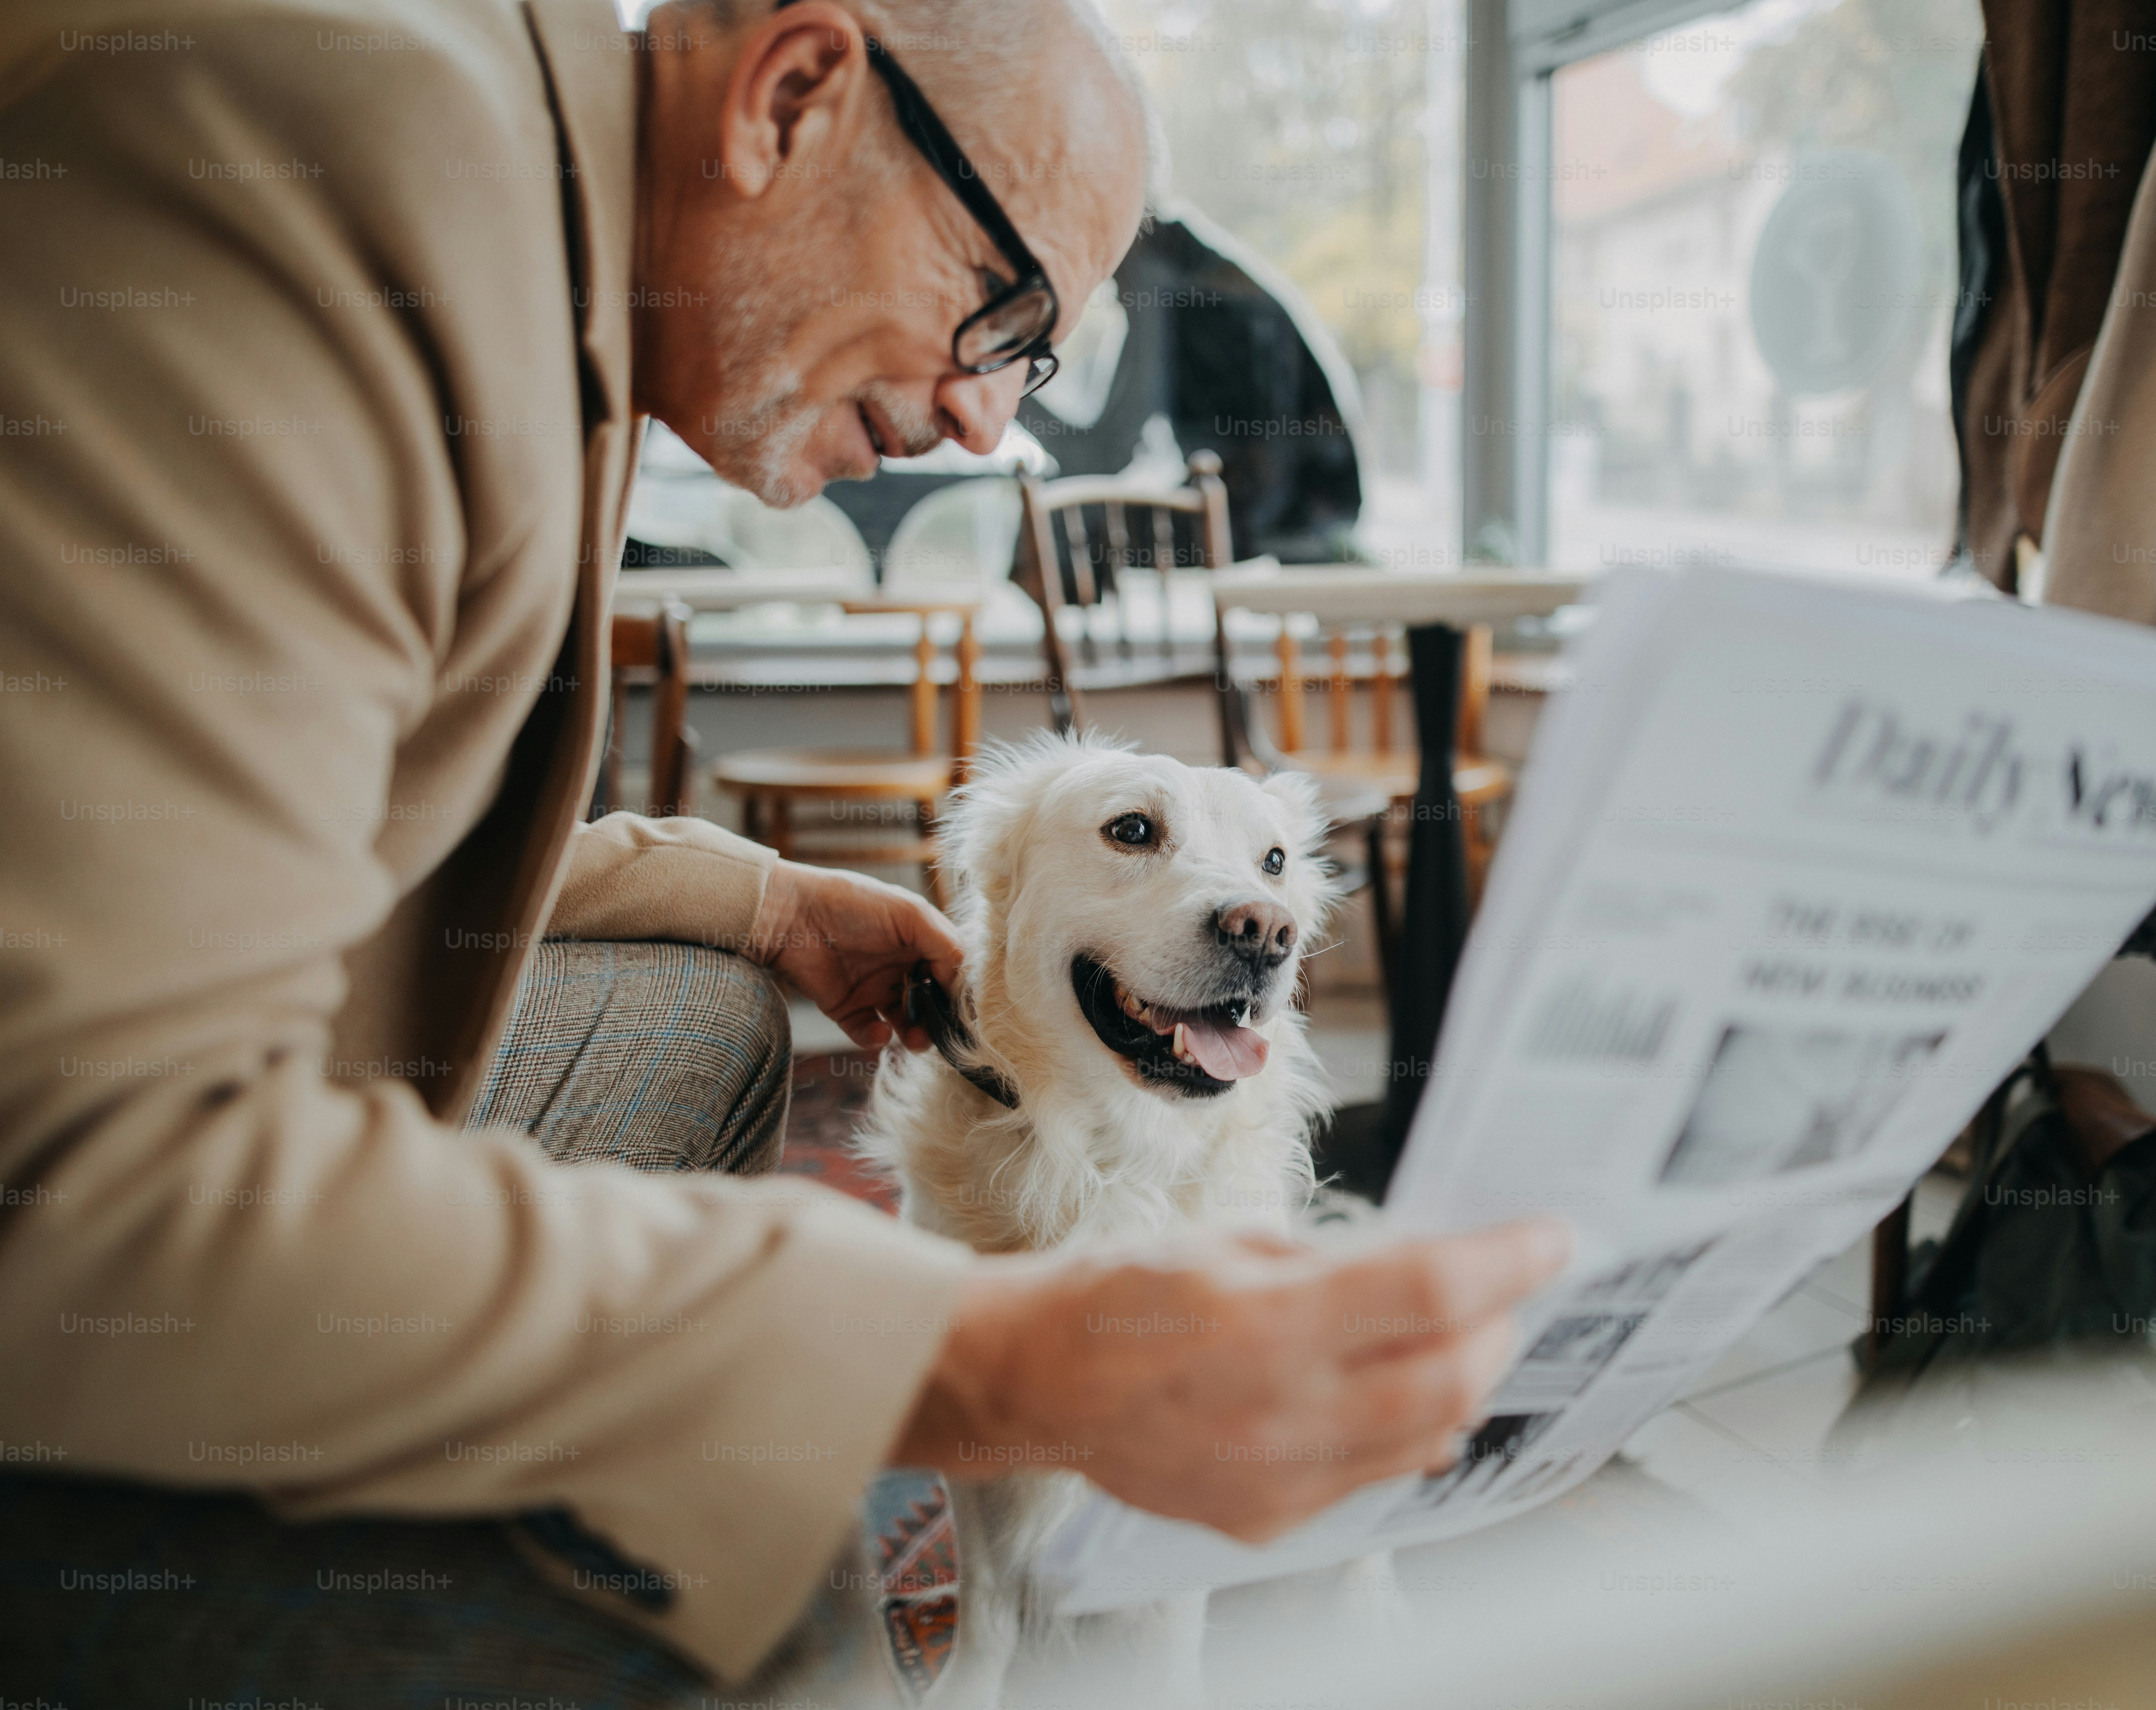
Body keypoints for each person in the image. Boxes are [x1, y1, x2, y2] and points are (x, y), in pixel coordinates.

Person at [0, 0, 1567, 1698]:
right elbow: (74, 1172)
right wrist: (948, 1358)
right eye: (1002, 310)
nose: (989, 425)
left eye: (1038, 364)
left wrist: (759, 896)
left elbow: (328, 813)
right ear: (797, 94)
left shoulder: (562, 263)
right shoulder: (328, 175)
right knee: (754, 1589)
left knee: (711, 1008)